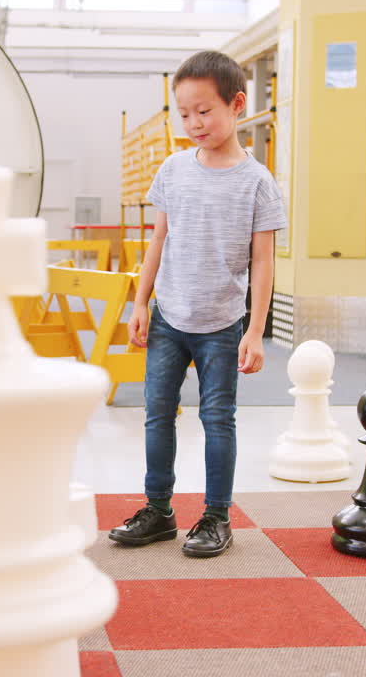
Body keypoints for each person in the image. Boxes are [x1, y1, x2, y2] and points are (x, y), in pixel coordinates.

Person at [108, 50, 285, 558]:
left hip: (222, 326)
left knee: (217, 419)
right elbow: (157, 241)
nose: (193, 123)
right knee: (156, 414)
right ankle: (159, 511)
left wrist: (255, 331)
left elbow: (264, 263)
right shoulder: (173, 169)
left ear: (237, 104)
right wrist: (139, 303)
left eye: (204, 111)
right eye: (183, 114)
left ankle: (215, 517)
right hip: (168, 318)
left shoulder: (258, 183)